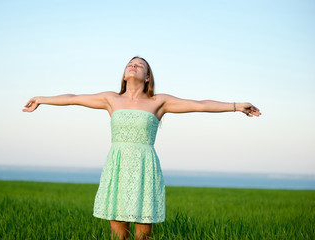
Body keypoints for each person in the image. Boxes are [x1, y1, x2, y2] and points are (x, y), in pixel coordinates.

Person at [23, 56, 261, 240]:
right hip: (117, 166)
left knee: (143, 235)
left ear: (148, 76)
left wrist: (236, 105)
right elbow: (73, 97)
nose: (133, 66)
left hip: (145, 167)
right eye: (130, 64)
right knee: (118, 234)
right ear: (124, 74)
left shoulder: (159, 102)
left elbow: (199, 104)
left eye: (139, 65)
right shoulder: (110, 99)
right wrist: (41, 99)